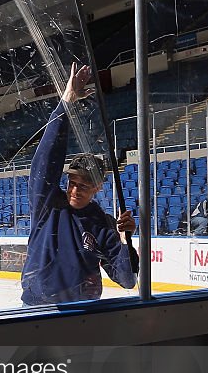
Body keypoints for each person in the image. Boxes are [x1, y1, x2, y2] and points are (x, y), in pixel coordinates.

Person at [21, 63, 137, 306]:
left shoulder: (102, 224)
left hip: (81, 313)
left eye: (83, 186)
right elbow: (45, 159)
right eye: (71, 182)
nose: (74, 190)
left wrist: (126, 242)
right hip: (36, 307)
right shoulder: (48, 204)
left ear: (98, 188)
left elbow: (127, 280)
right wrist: (66, 103)